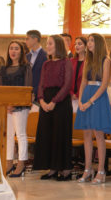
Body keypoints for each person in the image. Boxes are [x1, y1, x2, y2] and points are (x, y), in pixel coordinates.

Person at [33, 35, 73, 181]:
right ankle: (52, 168)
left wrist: (54, 102)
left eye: (50, 44)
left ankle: (66, 170)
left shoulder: (66, 62)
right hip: (46, 101)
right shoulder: (46, 64)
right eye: (47, 44)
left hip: (61, 102)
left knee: (60, 135)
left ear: (58, 46)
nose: (47, 46)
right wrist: (42, 100)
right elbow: (41, 84)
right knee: (47, 135)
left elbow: (67, 84)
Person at [74, 33, 111, 184]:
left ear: (98, 43)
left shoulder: (106, 60)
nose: (88, 43)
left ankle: (101, 171)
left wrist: (90, 101)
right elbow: (83, 81)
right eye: (88, 41)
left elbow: (104, 85)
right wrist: (81, 100)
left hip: (98, 98)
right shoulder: (88, 60)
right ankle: (88, 169)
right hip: (86, 97)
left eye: (91, 41)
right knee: (86, 135)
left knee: (99, 135)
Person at [0, 40, 32, 177]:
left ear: (21, 52)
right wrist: (6, 104)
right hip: (6, 108)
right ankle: (8, 162)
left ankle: (21, 163)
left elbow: (26, 88)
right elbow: (0, 89)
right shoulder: (3, 69)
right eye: (11, 48)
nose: (13, 51)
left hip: (20, 107)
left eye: (16, 48)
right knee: (8, 136)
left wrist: (15, 104)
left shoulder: (26, 68)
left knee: (21, 134)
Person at [26, 30, 47, 112]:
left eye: (27, 39)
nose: (26, 41)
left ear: (35, 39)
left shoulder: (45, 56)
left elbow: (45, 78)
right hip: (26, 94)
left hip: (39, 96)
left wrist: (36, 93)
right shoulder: (26, 56)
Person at [70, 36, 87, 112]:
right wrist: (71, 93)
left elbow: (87, 81)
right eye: (75, 44)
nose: (77, 46)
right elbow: (67, 80)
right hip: (70, 97)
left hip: (83, 96)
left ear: (86, 46)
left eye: (79, 44)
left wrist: (77, 94)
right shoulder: (71, 61)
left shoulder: (89, 62)